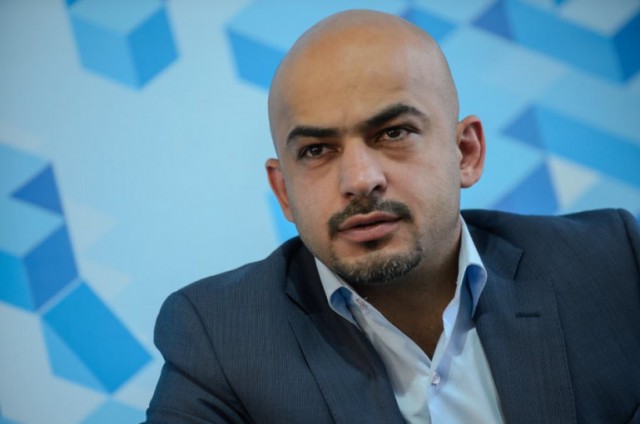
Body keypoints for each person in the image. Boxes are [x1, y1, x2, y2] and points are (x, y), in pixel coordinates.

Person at [144, 10, 640, 424]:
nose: (360, 180)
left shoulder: (613, 263)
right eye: (317, 149)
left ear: (466, 153)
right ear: (284, 191)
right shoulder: (218, 339)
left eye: (393, 133)